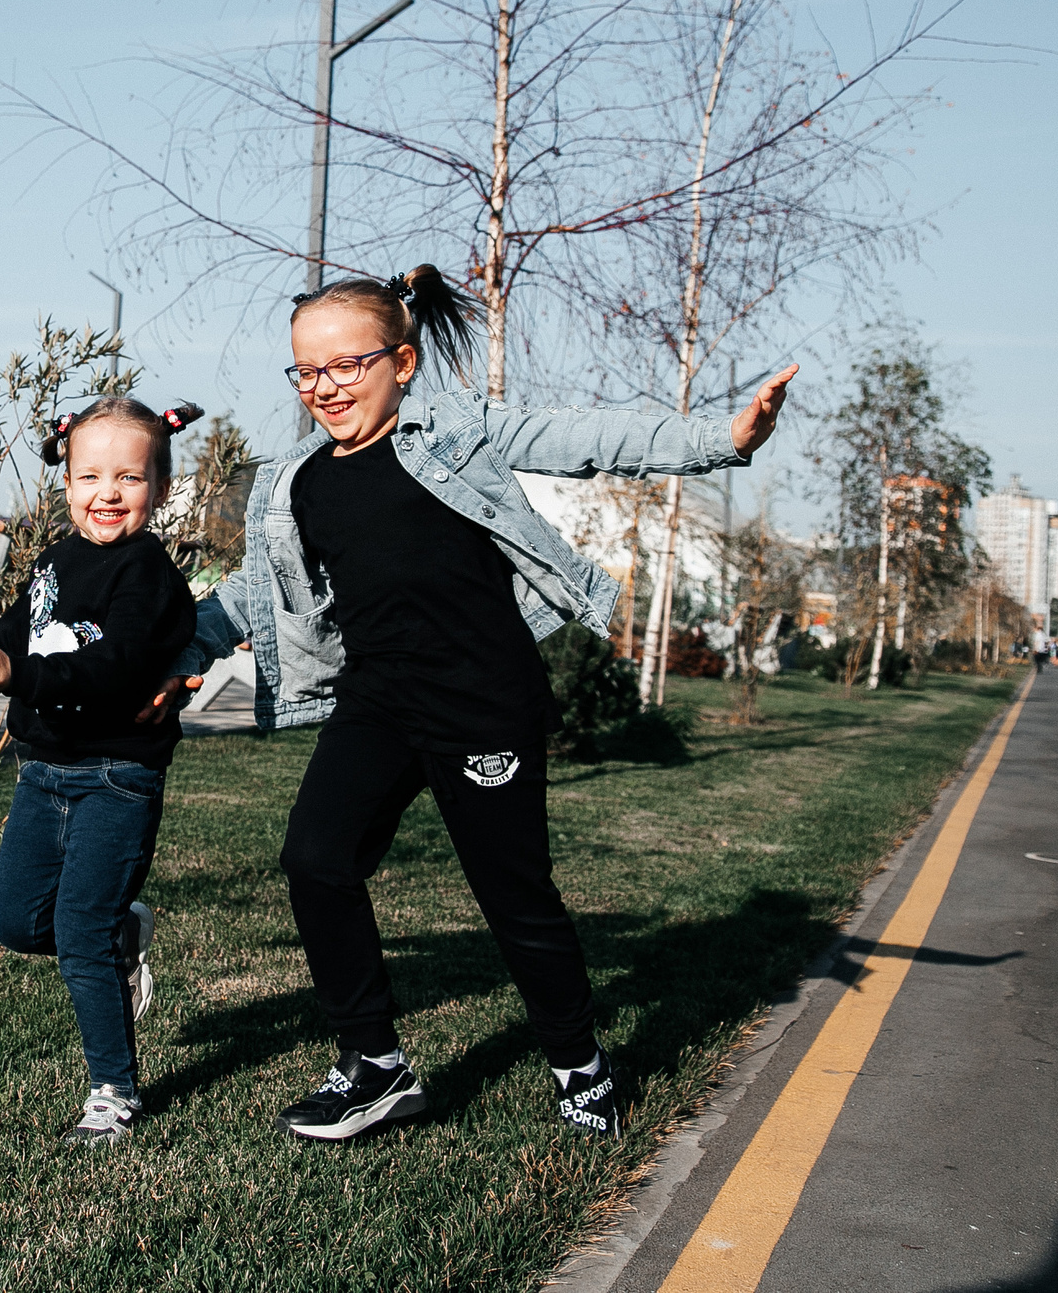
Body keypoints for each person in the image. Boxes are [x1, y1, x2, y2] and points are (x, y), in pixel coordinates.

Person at [165, 267, 791, 1143]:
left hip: (482, 700)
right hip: (377, 702)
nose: (325, 388)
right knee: (316, 857)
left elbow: (585, 436)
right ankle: (374, 1066)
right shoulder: (297, 481)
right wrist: (176, 647)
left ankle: (581, 1067)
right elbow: (251, 593)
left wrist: (722, 437)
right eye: (306, 373)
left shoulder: (458, 432)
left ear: (405, 361)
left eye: (347, 366)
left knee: (514, 897)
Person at [0, 396, 205, 1149]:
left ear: (158, 485)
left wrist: (15, 669)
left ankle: (114, 1091)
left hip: (117, 774)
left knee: (77, 930)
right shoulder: (54, 562)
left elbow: (114, 670)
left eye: (130, 476)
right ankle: (123, 931)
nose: (108, 492)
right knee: (15, 922)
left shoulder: (145, 570)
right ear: (65, 483)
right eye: (90, 475)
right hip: (44, 773)